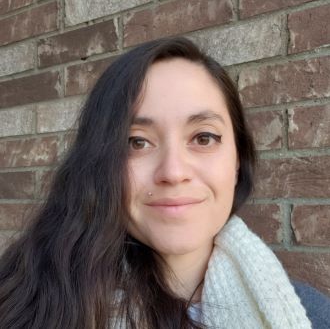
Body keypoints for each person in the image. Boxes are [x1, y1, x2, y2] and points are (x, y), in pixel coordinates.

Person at [0, 36, 329, 329]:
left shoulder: (311, 315)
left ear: (237, 159)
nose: (173, 172)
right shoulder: (26, 303)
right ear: (99, 163)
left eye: (203, 137)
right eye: (136, 142)